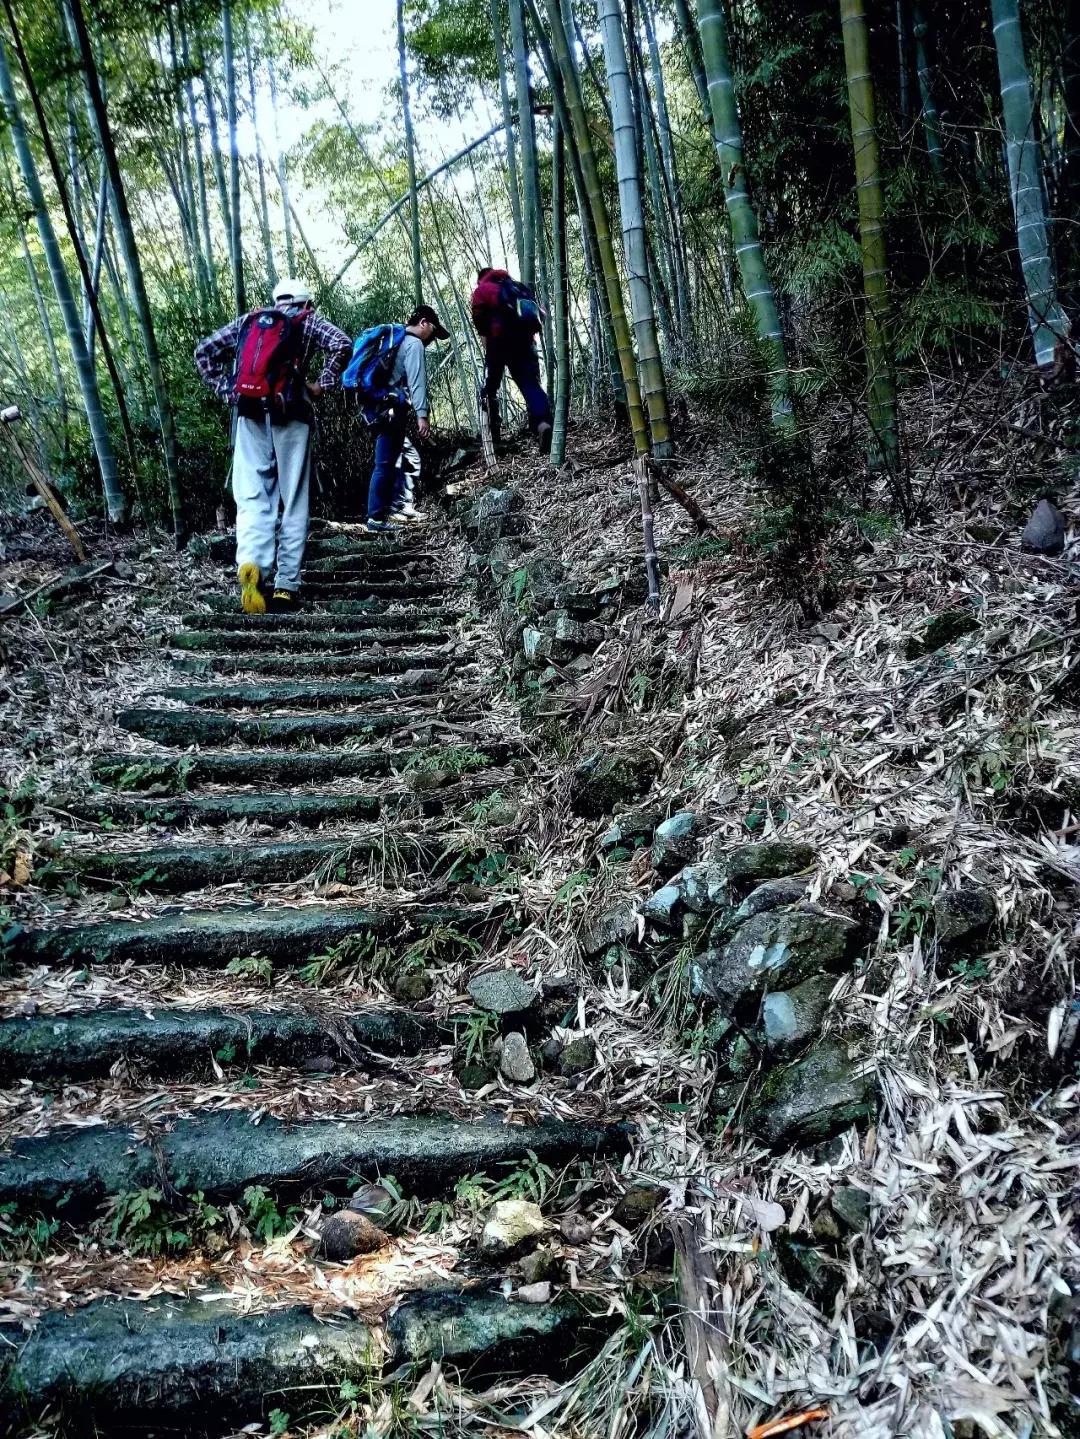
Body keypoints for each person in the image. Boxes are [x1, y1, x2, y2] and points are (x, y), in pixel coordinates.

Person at [194, 278, 351, 612]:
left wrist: (230, 391)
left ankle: (253, 567)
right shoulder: (308, 321)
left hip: (249, 415)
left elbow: (204, 351)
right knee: (292, 500)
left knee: (252, 498)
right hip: (292, 414)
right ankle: (285, 587)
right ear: (306, 301)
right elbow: (342, 343)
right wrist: (321, 384)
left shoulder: (251, 321)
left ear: (276, 299)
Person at [364, 304, 448, 534]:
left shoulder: (396, 339)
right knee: (384, 464)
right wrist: (423, 415)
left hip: (378, 408)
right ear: (423, 323)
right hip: (392, 410)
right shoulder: (413, 344)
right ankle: (376, 519)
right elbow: (417, 382)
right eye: (433, 330)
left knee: (398, 458)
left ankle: (394, 508)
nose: (433, 337)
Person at [471, 266, 552, 454]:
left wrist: (487, 342)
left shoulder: (483, 290)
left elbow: (479, 319)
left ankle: (492, 436)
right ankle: (543, 424)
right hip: (525, 343)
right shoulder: (517, 287)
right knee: (530, 384)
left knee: (489, 388)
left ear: (481, 278)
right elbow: (538, 314)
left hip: (499, 341)